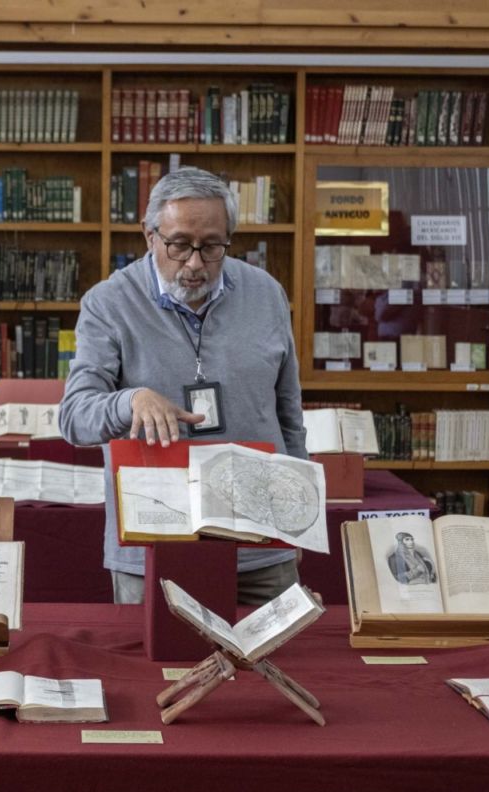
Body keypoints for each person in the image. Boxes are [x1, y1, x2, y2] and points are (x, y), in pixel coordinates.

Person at [59, 167, 307, 605]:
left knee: (275, 668)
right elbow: (74, 418)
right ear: (149, 235)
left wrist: (298, 521)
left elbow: (289, 416)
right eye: (178, 244)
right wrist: (129, 400)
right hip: (156, 546)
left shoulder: (267, 294)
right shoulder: (108, 303)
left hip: (260, 547)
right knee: (153, 673)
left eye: (212, 246)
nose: (194, 263)